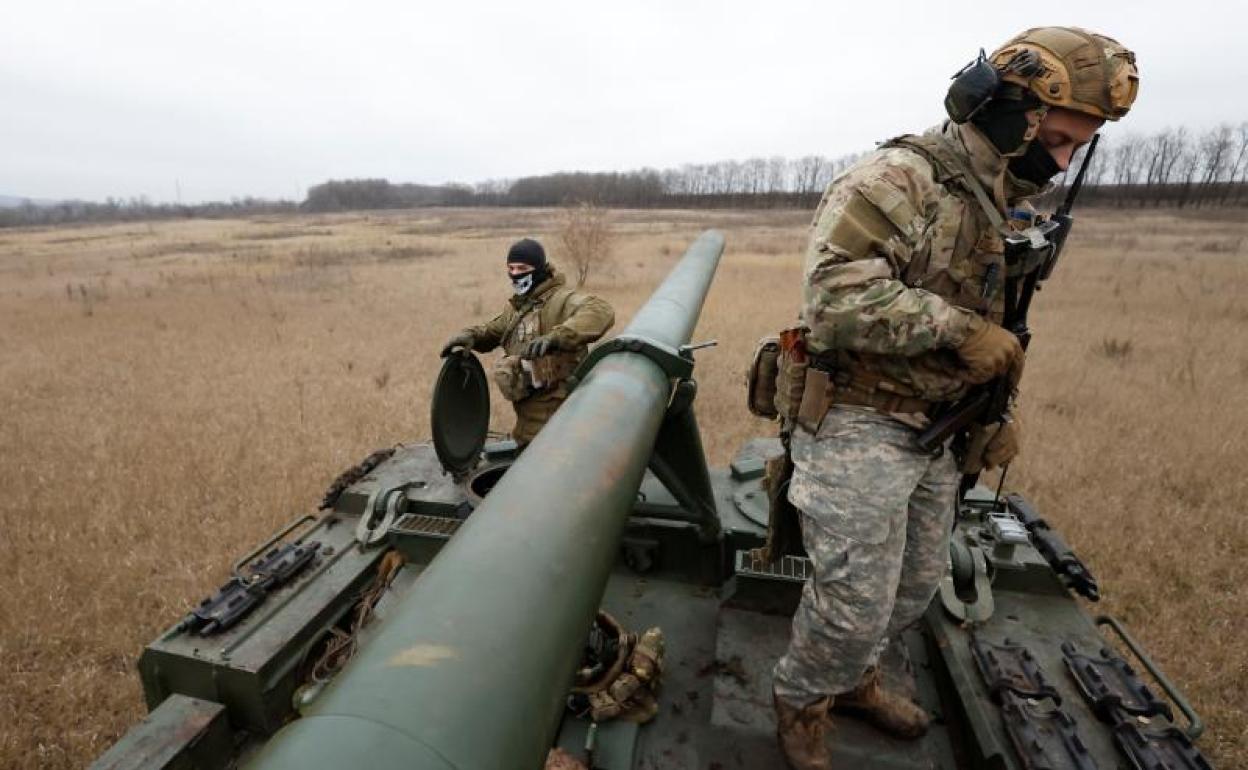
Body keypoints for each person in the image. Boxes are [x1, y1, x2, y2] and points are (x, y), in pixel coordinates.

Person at [770, 27, 1139, 769]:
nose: (1061, 162)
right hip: (858, 416)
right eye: (1058, 138)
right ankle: (802, 703)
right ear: (1008, 111)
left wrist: (1000, 409)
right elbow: (835, 300)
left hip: (940, 427)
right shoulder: (895, 180)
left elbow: (1007, 324)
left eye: (1078, 148)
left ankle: (855, 683)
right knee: (852, 605)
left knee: (914, 588)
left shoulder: (1007, 199)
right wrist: (959, 331)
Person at [440, 238, 615, 447]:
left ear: (539, 269)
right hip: (528, 425)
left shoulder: (560, 300)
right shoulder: (520, 307)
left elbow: (600, 310)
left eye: (522, 268)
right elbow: (494, 330)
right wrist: (472, 335)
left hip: (562, 422)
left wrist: (557, 336)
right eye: (510, 268)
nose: (515, 274)